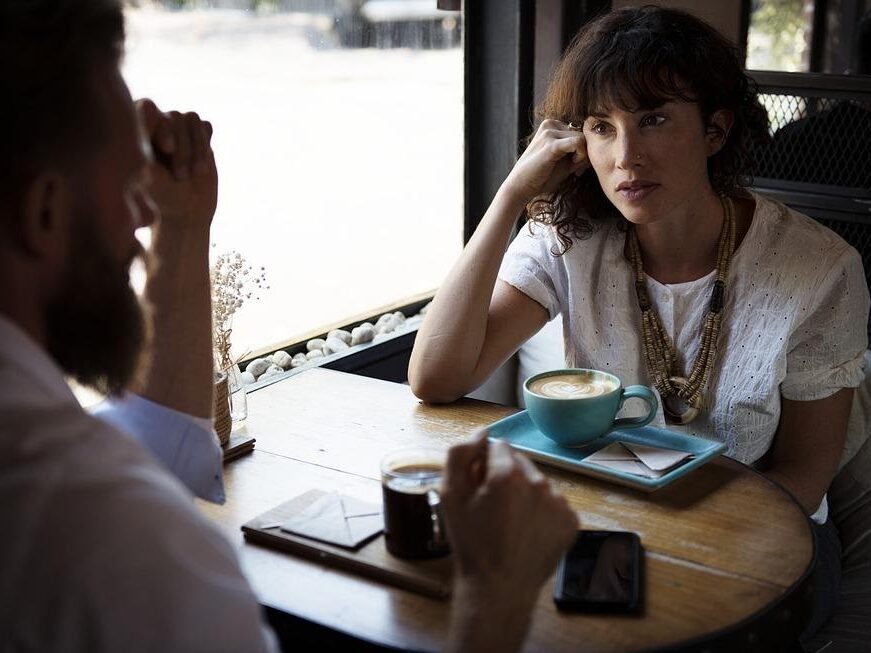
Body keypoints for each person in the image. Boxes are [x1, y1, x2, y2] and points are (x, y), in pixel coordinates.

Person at [0, 2, 577, 651]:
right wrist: (493, 596)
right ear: (44, 211)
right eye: (124, 186)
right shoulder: (111, 548)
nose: (140, 217)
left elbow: (155, 446)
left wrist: (182, 227)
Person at [409, 6, 870, 647]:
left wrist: (671, 540)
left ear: (715, 129)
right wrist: (511, 194)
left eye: (653, 119)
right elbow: (435, 376)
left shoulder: (820, 269)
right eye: (603, 127)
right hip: (609, 520)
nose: (626, 155)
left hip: (768, 533)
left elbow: (804, 477)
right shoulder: (568, 239)